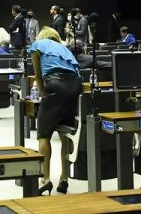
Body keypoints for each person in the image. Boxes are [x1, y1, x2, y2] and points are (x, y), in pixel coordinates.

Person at [29, 26, 82, 196]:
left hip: (55, 84)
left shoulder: (38, 45)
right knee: (64, 135)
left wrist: (45, 94)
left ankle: (45, 179)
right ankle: (64, 178)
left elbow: (38, 76)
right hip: (75, 86)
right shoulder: (65, 49)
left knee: (44, 134)